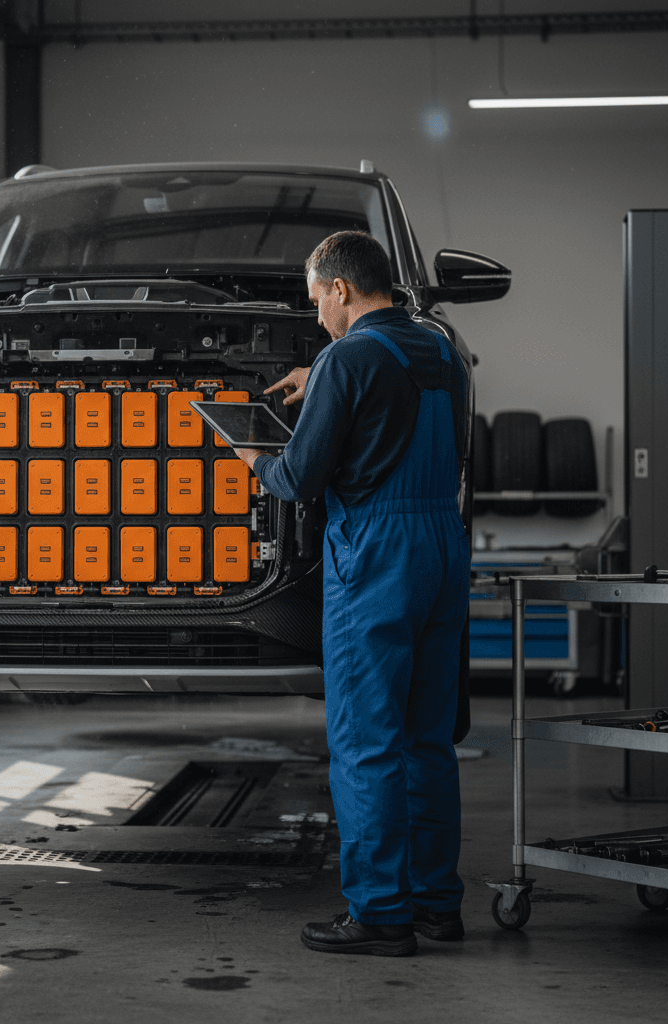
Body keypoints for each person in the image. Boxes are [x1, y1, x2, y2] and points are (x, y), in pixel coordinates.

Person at [232, 230, 470, 957]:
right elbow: (397, 398)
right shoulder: (441, 352)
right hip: (443, 545)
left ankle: (378, 914)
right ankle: (435, 905)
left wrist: (254, 460)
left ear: (340, 289)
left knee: (367, 741)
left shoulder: (346, 357)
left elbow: (301, 480)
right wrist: (325, 379)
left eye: (317, 303)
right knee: (429, 739)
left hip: (376, 555)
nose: (317, 320)